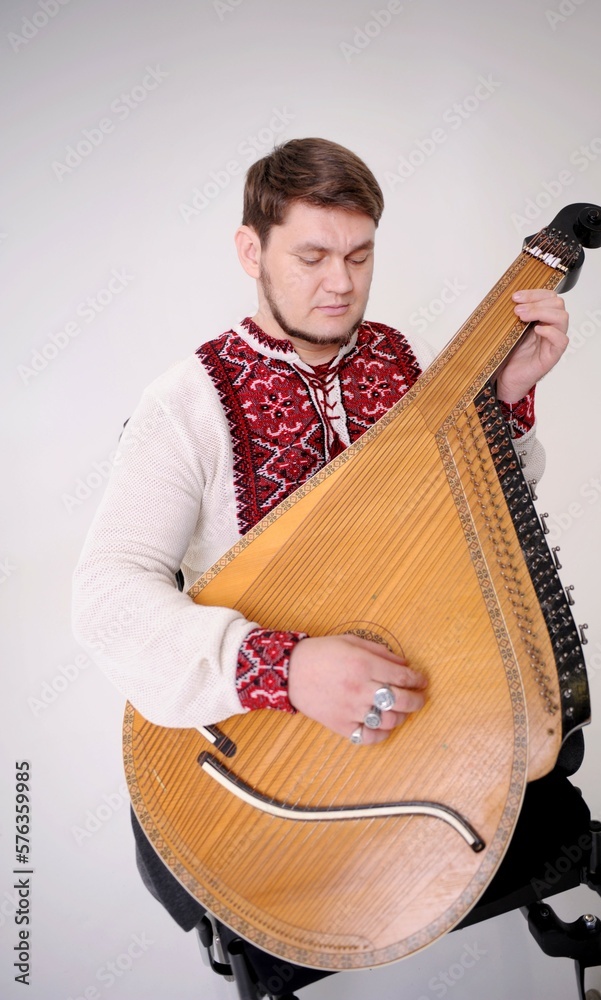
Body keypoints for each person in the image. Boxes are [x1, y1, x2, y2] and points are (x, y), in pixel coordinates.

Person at [71, 137, 572, 992]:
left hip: (410, 700)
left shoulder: (395, 361)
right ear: (249, 251)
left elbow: (470, 511)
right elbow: (106, 598)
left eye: (359, 255)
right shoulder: (183, 404)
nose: (339, 283)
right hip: (262, 758)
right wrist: (287, 665)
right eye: (310, 255)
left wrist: (503, 398)